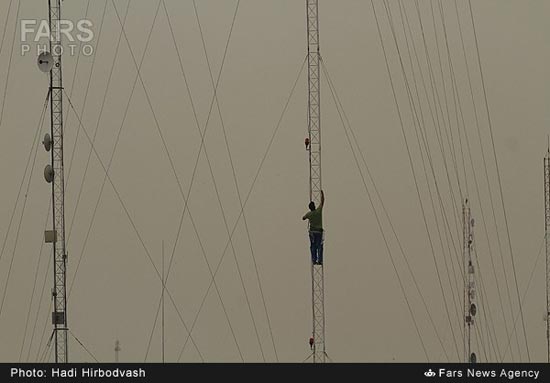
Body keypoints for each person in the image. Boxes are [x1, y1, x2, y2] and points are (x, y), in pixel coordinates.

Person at [302, 190, 324, 265]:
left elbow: (303, 218)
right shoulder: (318, 211)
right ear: (314, 206)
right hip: (319, 232)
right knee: (319, 246)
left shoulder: (309, 214)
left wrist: (307, 217)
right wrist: (322, 194)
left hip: (312, 233)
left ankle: (314, 260)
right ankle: (320, 260)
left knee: (313, 246)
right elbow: (322, 202)